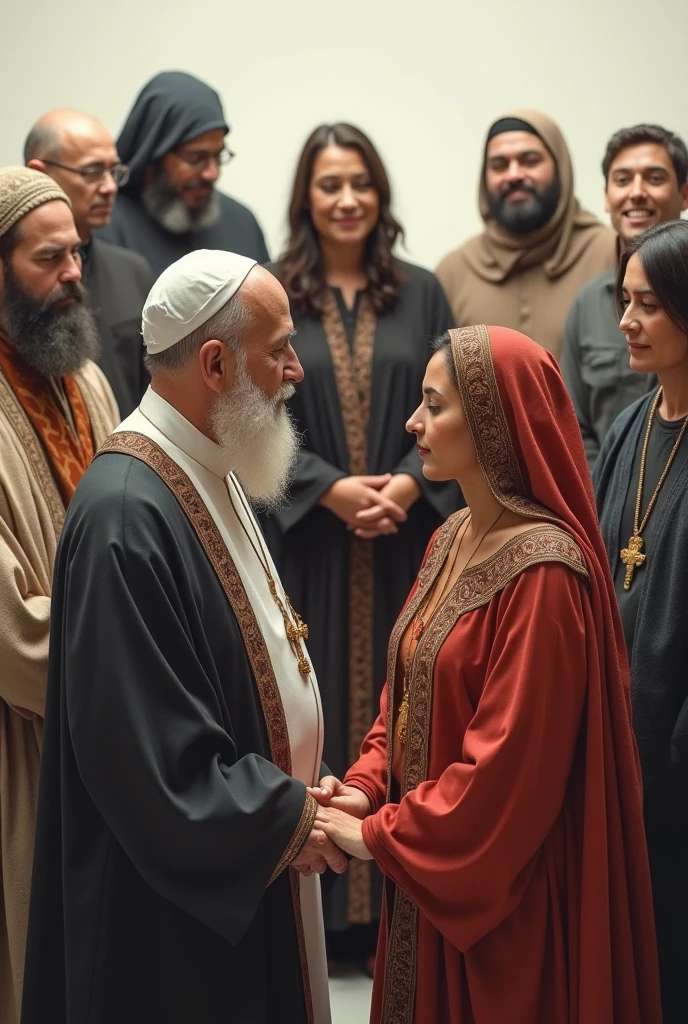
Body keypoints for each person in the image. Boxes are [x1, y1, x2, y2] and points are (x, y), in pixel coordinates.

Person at [20, 249, 344, 1024]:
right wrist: (290, 818)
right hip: (170, 925)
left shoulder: (207, 460)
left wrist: (311, 778)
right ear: (215, 362)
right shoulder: (126, 510)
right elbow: (150, 760)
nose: (296, 370)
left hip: (245, 864)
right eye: (278, 350)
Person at [310, 324, 663, 1023]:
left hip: (507, 907)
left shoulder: (544, 572)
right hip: (430, 879)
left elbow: (508, 771)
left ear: (495, 424)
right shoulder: (448, 539)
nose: (414, 422)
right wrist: (362, 787)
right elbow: (404, 699)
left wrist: (378, 835)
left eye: (435, 405)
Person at [265, 122, 459, 963]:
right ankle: (320, 902)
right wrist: (325, 488)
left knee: (408, 708)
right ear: (306, 197)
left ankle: (391, 905)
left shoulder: (421, 292)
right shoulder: (273, 292)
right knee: (314, 709)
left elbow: (461, 393)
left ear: (380, 195)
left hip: (406, 547)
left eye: (361, 183)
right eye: (329, 184)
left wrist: (414, 482)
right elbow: (248, 409)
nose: (347, 199)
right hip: (309, 548)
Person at [0, 167, 119, 1024]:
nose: (76, 272)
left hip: (104, 723)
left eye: (77, 252)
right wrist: (123, 671)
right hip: (23, 736)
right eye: (50, 258)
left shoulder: (85, 377)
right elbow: (8, 632)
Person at [594, 219, 688, 1024]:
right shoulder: (630, 424)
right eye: (624, 301)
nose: (626, 321)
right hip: (624, 743)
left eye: (648, 305)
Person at [436, 110, 616, 359]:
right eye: (499, 166)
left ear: (560, 168)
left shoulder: (611, 254)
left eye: (530, 161)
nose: (514, 175)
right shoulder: (453, 272)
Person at [562, 124, 688, 469]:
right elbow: (573, 424)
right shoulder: (587, 303)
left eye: (654, 178)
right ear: (606, 197)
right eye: (622, 180)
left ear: (684, 193)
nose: (636, 193)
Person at [24, 109, 154, 417]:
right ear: (40, 173)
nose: (110, 187)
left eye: (114, 171)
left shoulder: (133, 271)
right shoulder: (19, 282)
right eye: (92, 171)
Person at [98, 71, 269, 276]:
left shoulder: (242, 223)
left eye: (218, 156)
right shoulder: (105, 226)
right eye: (196, 158)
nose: (212, 173)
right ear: (154, 153)